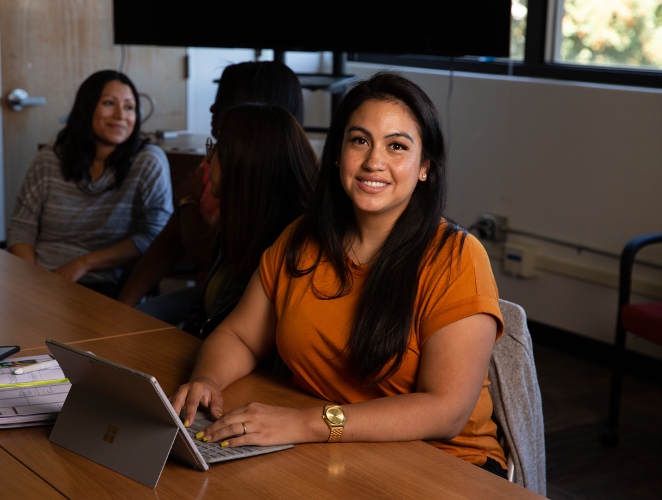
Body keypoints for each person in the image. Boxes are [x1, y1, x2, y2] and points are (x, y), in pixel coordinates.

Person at [171, 72, 508, 478]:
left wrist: (306, 423)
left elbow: (446, 411)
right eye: (359, 140)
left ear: (424, 168)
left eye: (397, 146)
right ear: (337, 154)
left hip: (445, 466)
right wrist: (207, 378)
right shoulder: (302, 237)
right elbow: (240, 335)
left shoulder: (457, 257)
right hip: (335, 452)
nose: (373, 162)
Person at [116, 61, 304, 317]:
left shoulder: (266, 185)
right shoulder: (212, 166)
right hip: (210, 297)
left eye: (226, 99)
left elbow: (205, 253)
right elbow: (170, 242)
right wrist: (121, 308)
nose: (213, 107)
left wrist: (186, 201)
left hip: (240, 308)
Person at [7, 70, 172, 298]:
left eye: (129, 107)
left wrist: (84, 263)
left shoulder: (148, 161)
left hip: (106, 288)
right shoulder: (50, 158)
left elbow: (153, 236)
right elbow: (20, 230)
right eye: (108, 103)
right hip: (40, 278)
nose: (120, 115)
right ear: (86, 108)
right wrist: (35, 282)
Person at [181, 103, 316, 340]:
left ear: (246, 161)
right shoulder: (238, 222)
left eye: (218, 148)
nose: (208, 158)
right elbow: (205, 316)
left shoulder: (289, 249)